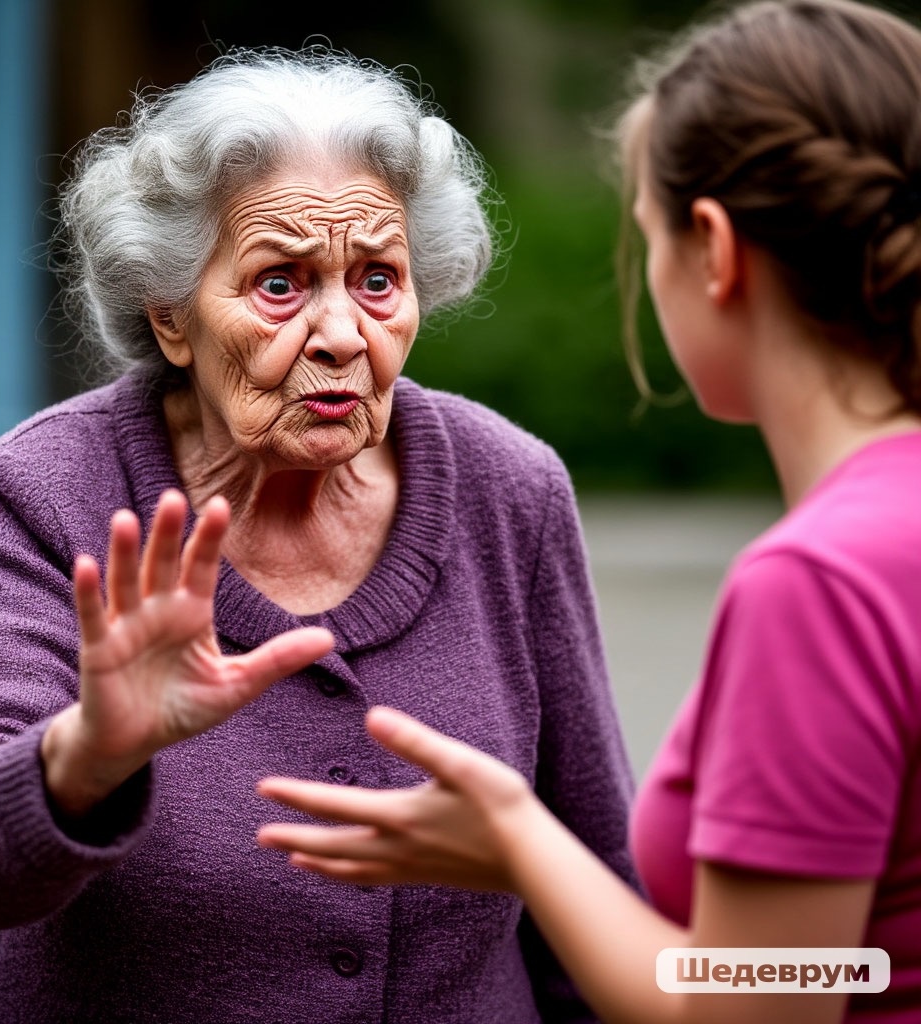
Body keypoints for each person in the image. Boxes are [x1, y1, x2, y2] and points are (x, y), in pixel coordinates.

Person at [0, 44, 639, 1024]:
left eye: (378, 280)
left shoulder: (509, 489)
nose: (341, 333)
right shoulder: (48, 492)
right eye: (280, 284)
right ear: (171, 317)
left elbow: (594, 875)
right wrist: (85, 753)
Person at [255, 2, 921, 1022]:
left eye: (645, 236)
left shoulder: (818, 584)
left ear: (713, 250)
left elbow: (765, 1002)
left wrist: (518, 843)